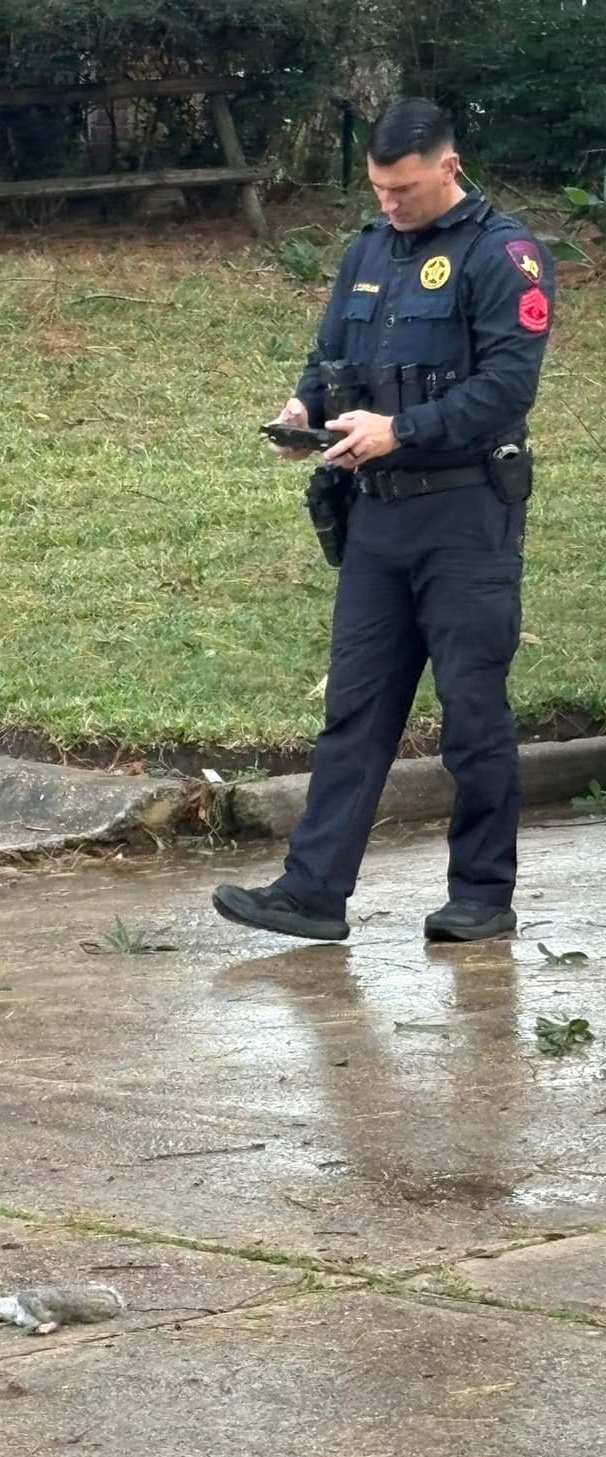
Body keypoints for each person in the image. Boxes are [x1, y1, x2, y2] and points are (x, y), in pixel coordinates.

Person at [213, 97, 553, 945]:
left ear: (448, 165)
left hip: (467, 515)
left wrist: (400, 429)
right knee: (355, 712)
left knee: (473, 713)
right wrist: (306, 409)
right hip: (377, 521)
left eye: (402, 187)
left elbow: (507, 389)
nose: (389, 202)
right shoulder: (368, 252)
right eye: (377, 187)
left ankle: (482, 893)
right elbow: (333, 357)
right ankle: (312, 892)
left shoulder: (503, 255)